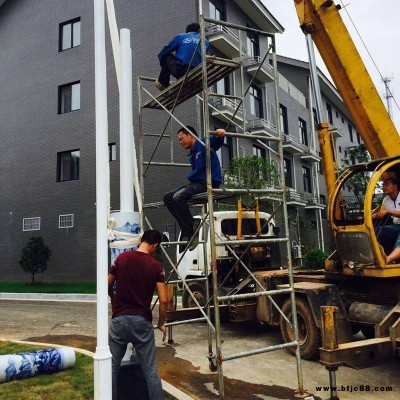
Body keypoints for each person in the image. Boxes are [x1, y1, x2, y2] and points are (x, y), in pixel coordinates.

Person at [108, 230, 167, 400]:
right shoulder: (156, 265)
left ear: (142, 241)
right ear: (154, 245)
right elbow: (164, 301)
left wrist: (114, 302)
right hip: (142, 322)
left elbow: (107, 286)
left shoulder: (121, 259)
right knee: (150, 371)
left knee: (112, 368)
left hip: (119, 320)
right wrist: (161, 323)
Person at [163, 126, 225, 251]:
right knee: (168, 198)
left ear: (190, 135)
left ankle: (188, 232)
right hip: (197, 183)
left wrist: (220, 133)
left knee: (178, 197)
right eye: (179, 141)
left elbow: (216, 141)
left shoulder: (203, 143)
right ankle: (190, 225)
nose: (180, 143)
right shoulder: (192, 154)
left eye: (181, 139)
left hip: (208, 183)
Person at [155, 23, 209, 91]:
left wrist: (164, 65)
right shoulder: (206, 42)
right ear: (199, 31)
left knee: (166, 56)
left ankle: (163, 83)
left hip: (181, 71)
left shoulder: (181, 37)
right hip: (198, 73)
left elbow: (164, 51)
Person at [372, 176, 400, 257]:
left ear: (395, 187)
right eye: (383, 185)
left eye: (387, 185)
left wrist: (388, 211)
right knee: (376, 232)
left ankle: (390, 259)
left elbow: (386, 212)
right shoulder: (385, 200)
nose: (384, 187)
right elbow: (381, 213)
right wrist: (368, 216)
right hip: (396, 226)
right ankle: (378, 256)